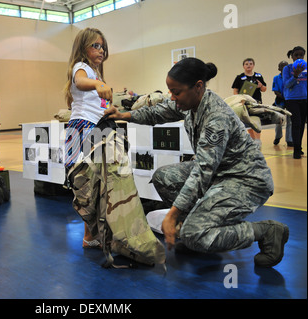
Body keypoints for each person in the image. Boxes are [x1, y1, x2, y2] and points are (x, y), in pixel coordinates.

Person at [105, 57, 289, 268]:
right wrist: (124, 115)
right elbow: (159, 112)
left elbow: (202, 171)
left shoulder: (216, 117)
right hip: (220, 173)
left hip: (246, 180)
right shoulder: (190, 101)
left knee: (194, 233)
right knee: (163, 178)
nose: (172, 98)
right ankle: (199, 229)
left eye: (176, 92)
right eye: (170, 91)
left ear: (198, 86)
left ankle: (265, 231)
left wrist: (172, 216)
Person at [63, 27, 112, 248]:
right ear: (83, 48)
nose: (101, 50)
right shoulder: (82, 68)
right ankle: (90, 236)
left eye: (103, 46)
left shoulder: (95, 72)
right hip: (84, 127)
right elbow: (81, 81)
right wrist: (98, 84)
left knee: (94, 184)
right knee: (88, 184)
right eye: (95, 46)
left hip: (92, 126)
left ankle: (91, 235)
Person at [231, 58, 267, 144]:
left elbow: (264, 89)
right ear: (243, 66)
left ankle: (258, 140)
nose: (248, 65)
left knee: (256, 121)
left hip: (256, 103)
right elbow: (235, 91)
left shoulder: (258, 76)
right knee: (248, 121)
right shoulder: (239, 78)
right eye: (246, 64)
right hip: (245, 103)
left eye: (250, 64)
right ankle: (253, 140)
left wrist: (261, 86)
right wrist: (239, 100)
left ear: (253, 65)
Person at [283, 46, 307, 159]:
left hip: (304, 99)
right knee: (296, 123)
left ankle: (299, 147)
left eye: (301, 55)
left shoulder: (306, 68)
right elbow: (287, 85)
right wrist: (295, 75)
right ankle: (296, 150)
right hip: (292, 100)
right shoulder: (287, 69)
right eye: (296, 55)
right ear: (292, 56)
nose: (298, 57)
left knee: (302, 124)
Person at [272, 61, 292, 146]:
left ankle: (289, 139)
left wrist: (288, 97)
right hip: (280, 100)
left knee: (290, 121)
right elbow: (275, 91)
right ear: (279, 69)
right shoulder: (276, 78)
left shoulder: (291, 77)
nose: (284, 68)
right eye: (282, 67)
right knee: (278, 120)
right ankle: (278, 136)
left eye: (285, 67)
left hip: (290, 100)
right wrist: (284, 97)